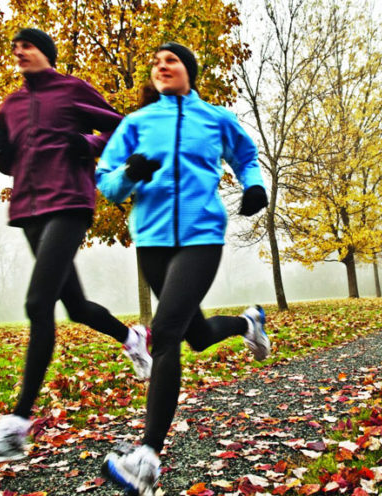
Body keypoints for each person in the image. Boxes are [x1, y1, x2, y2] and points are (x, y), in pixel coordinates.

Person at [0, 28, 152, 463]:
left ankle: (17, 425)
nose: (19, 52)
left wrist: (87, 142)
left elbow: (123, 131)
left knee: (37, 303)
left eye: (27, 46)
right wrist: (0, 153)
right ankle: (132, 337)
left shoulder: (72, 90)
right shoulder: (10, 104)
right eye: (15, 48)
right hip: (30, 209)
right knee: (77, 306)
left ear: (45, 53)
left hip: (69, 201)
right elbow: (11, 160)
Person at [95, 42, 270, 495]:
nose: (162, 66)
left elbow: (246, 156)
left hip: (200, 237)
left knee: (166, 333)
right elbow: (108, 183)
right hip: (151, 240)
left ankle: (147, 460)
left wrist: (253, 186)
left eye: (170, 60)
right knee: (192, 335)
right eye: (155, 62)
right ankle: (247, 323)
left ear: (188, 70)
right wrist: (129, 174)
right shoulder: (136, 124)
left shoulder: (215, 118)